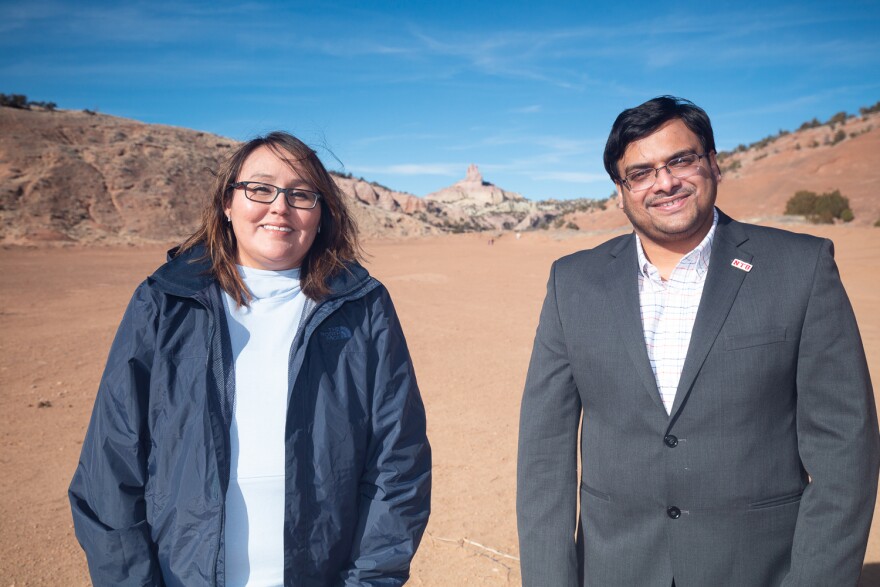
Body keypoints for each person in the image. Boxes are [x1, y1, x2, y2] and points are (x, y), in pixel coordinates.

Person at [516, 96, 879, 586]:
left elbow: (845, 451)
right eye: (640, 173)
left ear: (713, 163)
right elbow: (544, 457)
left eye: (680, 160)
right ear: (620, 192)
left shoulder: (800, 268)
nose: (664, 183)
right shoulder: (572, 283)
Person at [69, 131, 431, 586]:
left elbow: (398, 466)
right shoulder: (165, 303)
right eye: (260, 189)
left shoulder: (363, 306)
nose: (280, 206)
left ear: (321, 215)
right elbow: (110, 466)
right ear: (227, 202)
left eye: (301, 194)